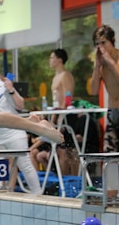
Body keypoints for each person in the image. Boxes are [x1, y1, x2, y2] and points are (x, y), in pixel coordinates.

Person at [0, 60, 41, 193]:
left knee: (24, 165)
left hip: (13, 134)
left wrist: (11, 90)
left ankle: (37, 193)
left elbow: (21, 106)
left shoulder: (4, 87)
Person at [90, 24, 119, 198]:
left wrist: (110, 62)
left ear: (112, 41)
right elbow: (94, 90)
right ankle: (112, 197)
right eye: (97, 44)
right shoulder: (101, 65)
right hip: (113, 114)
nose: (100, 48)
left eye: (103, 43)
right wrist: (96, 67)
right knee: (110, 157)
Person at [49, 48, 77, 176]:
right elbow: (56, 101)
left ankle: (70, 181)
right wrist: (53, 119)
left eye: (52, 58)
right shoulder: (55, 77)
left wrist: (61, 117)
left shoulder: (66, 75)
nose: (50, 61)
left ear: (59, 60)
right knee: (60, 151)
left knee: (67, 151)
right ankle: (62, 181)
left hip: (66, 114)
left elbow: (67, 98)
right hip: (58, 114)